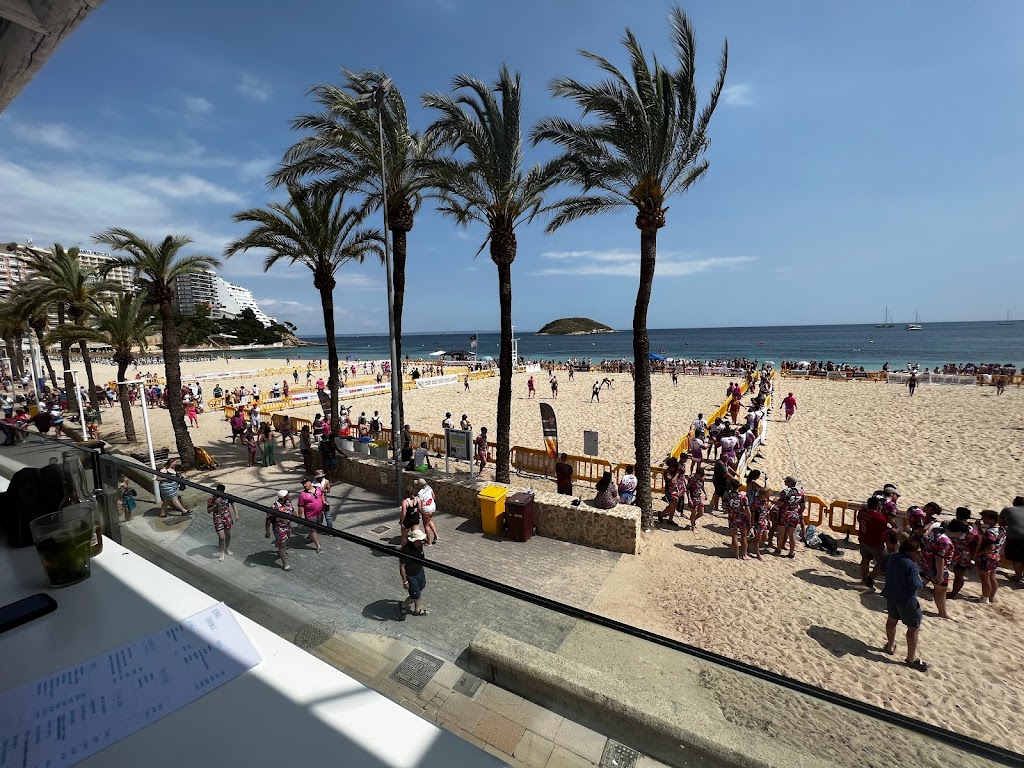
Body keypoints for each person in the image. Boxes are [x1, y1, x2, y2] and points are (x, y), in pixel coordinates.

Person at [881, 537, 927, 671]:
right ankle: (911, 658)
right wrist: (922, 583)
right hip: (906, 599)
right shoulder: (911, 565)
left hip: (891, 594)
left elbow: (883, 569)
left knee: (891, 620)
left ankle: (890, 645)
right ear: (909, 552)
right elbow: (915, 585)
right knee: (913, 628)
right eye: (917, 552)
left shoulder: (891, 557)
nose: (920, 554)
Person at [920, 519, 954, 619]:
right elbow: (939, 558)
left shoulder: (935, 532)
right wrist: (940, 574)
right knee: (941, 590)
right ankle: (943, 613)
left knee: (916, 585)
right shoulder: (944, 540)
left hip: (926, 563)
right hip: (936, 567)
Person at [858, 496, 891, 590]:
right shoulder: (879, 518)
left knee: (865, 559)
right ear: (877, 505)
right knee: (883, 563)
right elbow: (888, 529)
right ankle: (869, 579)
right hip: (875, 543)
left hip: (863, 539)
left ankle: (864, 578)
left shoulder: (861, 512)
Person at [948, 508, 979, 599]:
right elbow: (974, 545)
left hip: (950, 551)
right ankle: (954, 593)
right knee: (959, 576)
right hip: (964, 554)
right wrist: (972, 557)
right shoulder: (973, 531)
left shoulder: (951, 526)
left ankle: (942, 589)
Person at [977, 510, 1006, 604]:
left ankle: (985, 598)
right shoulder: (1002, 529)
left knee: (985, 579)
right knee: (992, 578)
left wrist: (980, 552)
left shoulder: (990, 532)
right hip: (995, 556)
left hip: (987, 557)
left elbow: (991, 547)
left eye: (984, 518)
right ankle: (991, 597)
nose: (983, 520)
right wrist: (979, 528)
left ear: (991, 519)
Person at [399, 528, 429, 617]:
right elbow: (402, 566)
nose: (421, 542)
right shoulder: (406, 550)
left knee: (420, 590)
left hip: (420, 572)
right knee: (414, 595)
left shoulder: (420, 545)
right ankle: (403, 606)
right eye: (419, 540)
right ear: (414, 541)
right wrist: (405, 581)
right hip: (411, 576)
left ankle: (417, 610)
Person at [775, 476, 806, 558]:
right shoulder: (801, 492)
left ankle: (778, 549)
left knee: (781, 533)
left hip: (785, 514)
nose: (785, 482)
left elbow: (781, 504)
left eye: (786, 481)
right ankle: (791, 553)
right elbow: (803, 506)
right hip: (795, 514)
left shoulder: (785, 492)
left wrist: (773, 502)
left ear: (789, 483)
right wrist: (799, 514)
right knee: (792, 534)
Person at [206, 484, 238, 562]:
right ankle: (222, 552)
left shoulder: (227, 496)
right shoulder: (212, 498)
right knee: (221, 537)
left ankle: (227, 549)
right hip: (218, 518)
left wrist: (236, 515)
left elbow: (233, 504)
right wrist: (215, 504)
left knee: (228, 534)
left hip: (227, 517)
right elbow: (208, 511)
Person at [723, 477, 751, 560]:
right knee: (743, 536)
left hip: (732, 517)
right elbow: (747, 511)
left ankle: (736, 555)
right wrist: (749, 520)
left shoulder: (727, 495)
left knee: (734, 536)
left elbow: (725, 506)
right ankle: (744, 554)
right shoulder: (743, 497)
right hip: (742, 517)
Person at [266, 489, 294, 571]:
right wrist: (267, 531)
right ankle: (285, 564)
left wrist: (299, 521)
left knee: (285, 543)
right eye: (287, 495)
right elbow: (268, 519)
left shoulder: (288, 503)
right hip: (279, 529)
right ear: (283, 497)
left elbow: (293, 511)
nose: (289, 496)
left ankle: (281, 553)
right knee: (282, 545)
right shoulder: (274, 507)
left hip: (288, 527)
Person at [298, 477, 324, 554]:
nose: (304, 485)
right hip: (310, 516)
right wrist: (300, 519)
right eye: (303, 484)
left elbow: (322, 495)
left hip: (319, 514)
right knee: (313, 530)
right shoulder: (303, 495)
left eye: (305, 483)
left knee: (318, 527)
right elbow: (300, 507)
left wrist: (324, 502)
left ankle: (310, 537)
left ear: (310, 482)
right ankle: (318, 546)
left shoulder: (318, 489)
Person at [1001, 496, 1024, 583]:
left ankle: (1018, 576)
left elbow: (1001, 523)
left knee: (1016, 558)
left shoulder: (1007, 510)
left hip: (1015, 536)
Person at [659, 456, 684, 526]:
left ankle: (670, 519)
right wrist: (676, 475)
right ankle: (662, 514)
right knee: (672, 505)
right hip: (670, 490)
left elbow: (682, 470)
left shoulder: (677, 469)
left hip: (677, 490)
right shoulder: (667, 472)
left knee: (674, 505)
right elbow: (672, 481)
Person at [416, 478, 438, 545]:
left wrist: (419, 511)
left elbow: (421, 504)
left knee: (426, 525)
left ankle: (429, 542)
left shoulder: (420, 493)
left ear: (420, 485)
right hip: (432, 507)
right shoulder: (428, 487)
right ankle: (436, 535)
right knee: (429, 521)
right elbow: (433, 496)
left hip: (426, 510)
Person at [686, 466, 707, 531]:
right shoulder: (692, 480)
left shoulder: (701, 479)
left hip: (699, 497)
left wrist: (705, 494)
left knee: (701, 512)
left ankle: (693, 521)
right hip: (693, 498)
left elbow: (702, 486)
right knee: (693, 512)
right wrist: (689, 499)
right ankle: (692, 526)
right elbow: (688, 490)